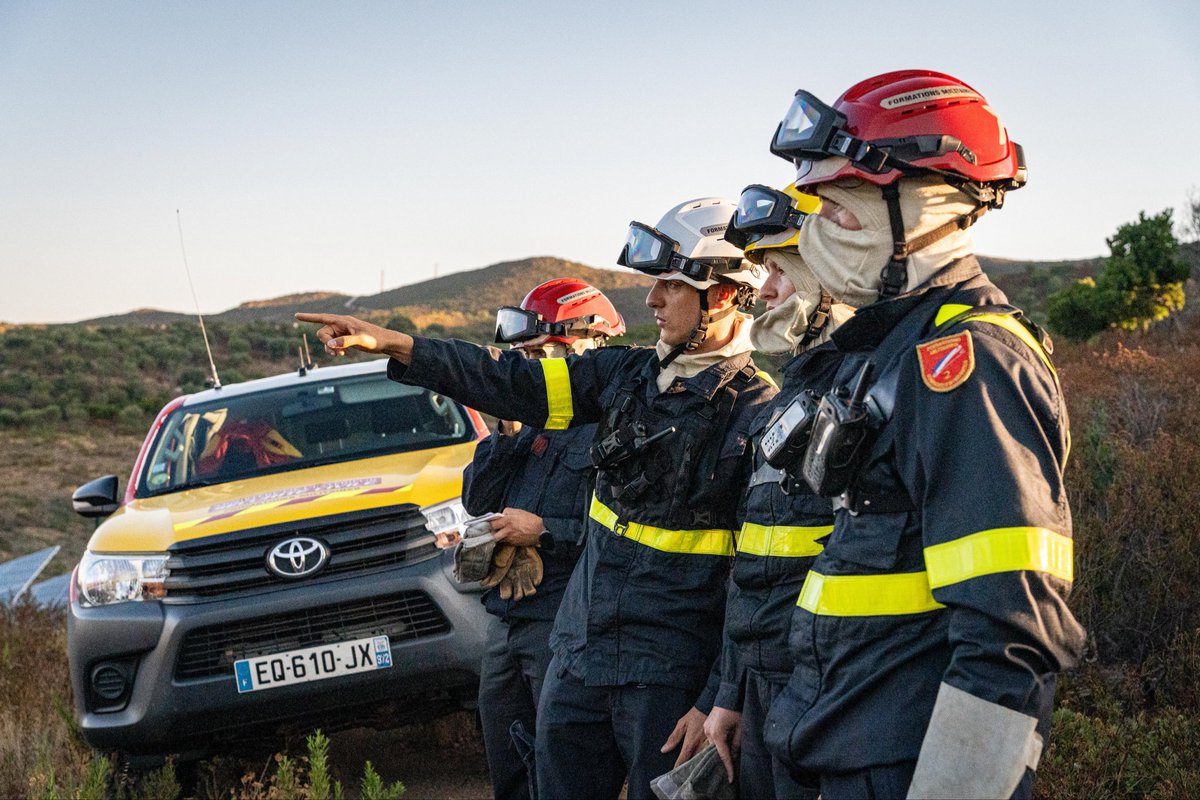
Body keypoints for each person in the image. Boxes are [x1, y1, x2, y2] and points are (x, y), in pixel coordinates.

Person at [297, 197, 776, 800]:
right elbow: (509, 379)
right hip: (578, 654)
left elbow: (758, 580)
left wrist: (717, 697)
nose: (652, 300)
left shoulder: (756, 414)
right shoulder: (621, 377)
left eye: (672, 285)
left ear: (724, 295)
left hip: (667, 677)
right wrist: (398, 346)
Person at [757, 70, 1086, 799]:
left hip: (898, 762)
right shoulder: (885, 352)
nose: (816, 233)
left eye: (839, 210)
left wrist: (960, 787)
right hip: (842, 738)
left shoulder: (968, 365)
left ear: (925, 206)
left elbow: (1011, 629)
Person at [701, 184, 855, 799]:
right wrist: (731, 692)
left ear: (831, 274)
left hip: (828, 693)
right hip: (766, 689)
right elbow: (754, 565)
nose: (763, 290)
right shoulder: (786, 398)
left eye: (780, 271)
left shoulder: (864, 392)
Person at [462, 279, 624, 800]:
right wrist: (505, 433)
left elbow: (622, 531)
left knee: (559, 767)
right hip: (506, 620)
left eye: (537, 354)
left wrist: (545, 530)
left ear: (585, 346)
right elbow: (475, 497)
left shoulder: (611, 427)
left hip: (564, 623)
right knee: (508, 761)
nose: (527, 368)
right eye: (523, 356)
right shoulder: (528, 421)